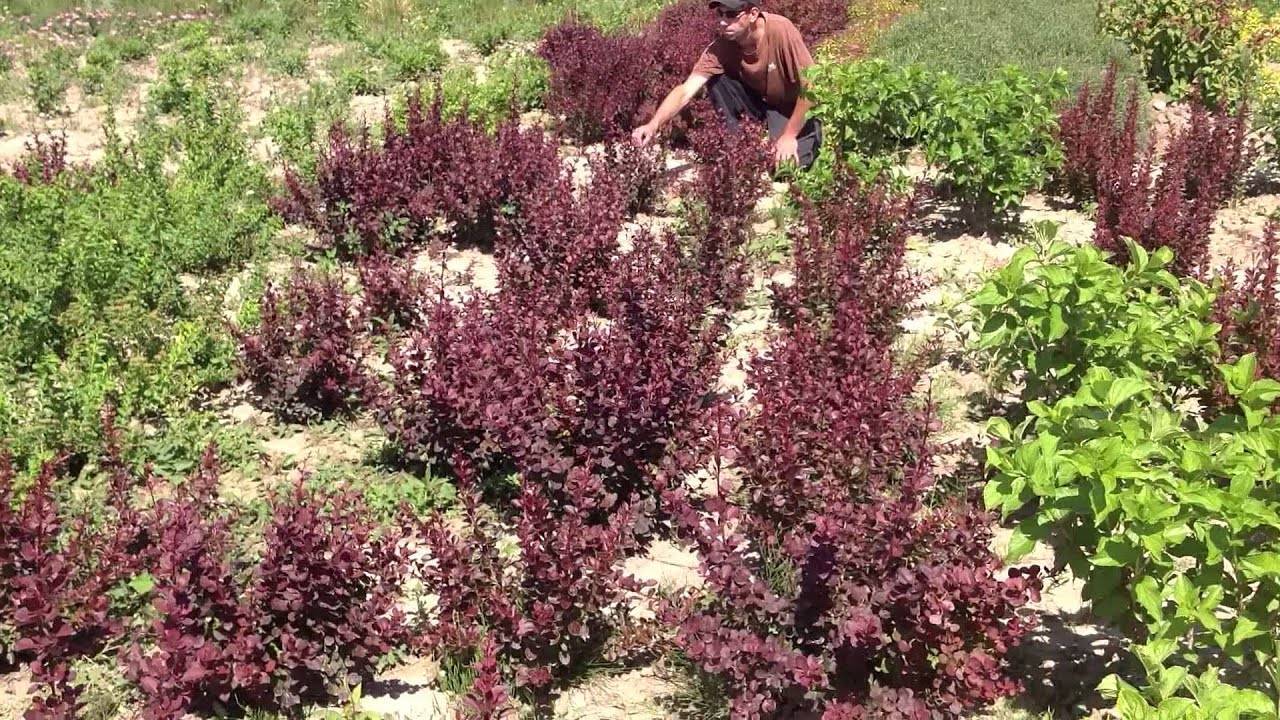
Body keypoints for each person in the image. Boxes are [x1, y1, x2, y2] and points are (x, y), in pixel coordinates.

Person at [631, 0, 823, 169]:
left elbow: (812, 86)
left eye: (731, 14)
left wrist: (789, 136)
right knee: (717, 79)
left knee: (790, 167)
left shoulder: (781, 30)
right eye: (720, 14)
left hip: (792, 109)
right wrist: (653, 125)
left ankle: (781, 139)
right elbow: (685, 90)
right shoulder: (722, 46)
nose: (723, 22)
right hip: (761, 107)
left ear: (753, 14)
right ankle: (739, 147)